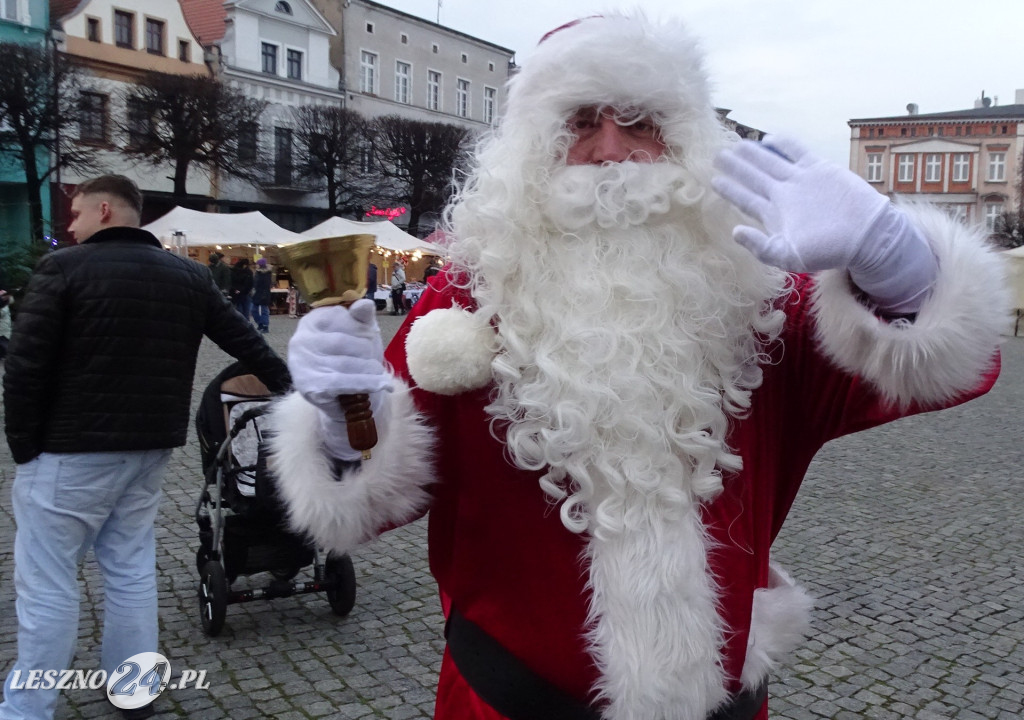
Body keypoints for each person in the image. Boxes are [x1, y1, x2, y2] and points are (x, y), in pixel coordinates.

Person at [264, 14, 1007, 720]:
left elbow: (938, 372)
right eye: (580, 122)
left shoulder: (762, 293)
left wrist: (893, 261)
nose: (611, 149)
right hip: (501, 704)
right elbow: (372, 500)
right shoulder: (464, 294)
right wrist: (341, 423)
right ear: (534, 150)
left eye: (640, 122)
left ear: (685, 141)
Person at [0, 174, 291, 720]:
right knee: (131, 568)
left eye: (77, 213)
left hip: (69, 451)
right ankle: (132, 689)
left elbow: (24, 367)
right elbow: (250, 344)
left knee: (47, 581)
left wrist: (24, 447)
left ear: (105, 209)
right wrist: (295, 388)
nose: (70, 224)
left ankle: (25, 709)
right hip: (150, 448)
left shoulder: (62, 268)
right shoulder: (188, 276)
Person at [251, 257, 273, 333]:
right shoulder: (258, 272)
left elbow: (266, 285)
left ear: (260, 265)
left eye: (257, 264)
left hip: (263, 294)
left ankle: (265, 326)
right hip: (257, 294)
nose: (256, 265)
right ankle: (260, 324)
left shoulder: (266, 274)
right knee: (254, 310)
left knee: (264, 310)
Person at [230, 257, 254, 322]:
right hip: (245, 293)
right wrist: (243, 290)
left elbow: (232, 282)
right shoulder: (248, 272)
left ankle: (241, 323)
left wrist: (236, 290)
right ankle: (246, 324)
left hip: (236, 293)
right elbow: (249, 283)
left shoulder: (233, 271)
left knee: (239, 309)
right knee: (246, 310)